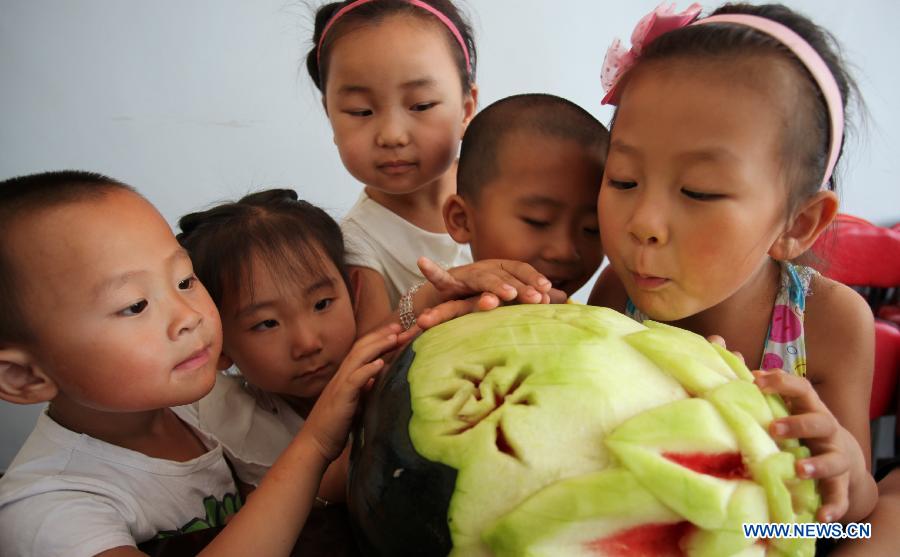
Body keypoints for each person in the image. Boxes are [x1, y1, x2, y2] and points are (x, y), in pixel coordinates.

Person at [0, 171, 400, 556]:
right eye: (135, 305)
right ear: (23, 377)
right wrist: (314, 444)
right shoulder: (46, 510)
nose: (189, 315)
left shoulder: (188, 404)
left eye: (185, 281)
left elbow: (292, 501)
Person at [588, 3, 877, 523]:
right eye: (624, 179)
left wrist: (847, 468)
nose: (644, 222)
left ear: (798, 223)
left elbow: (853, 513)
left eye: (699, 191)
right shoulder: (615, 294)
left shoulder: (831, 324)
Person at [174, 188, 557, 503]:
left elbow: (392, 333)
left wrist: (439, 295)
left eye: (322, 304)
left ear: (353, 292)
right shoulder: (231, 419)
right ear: (219, 343)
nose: (307, 342)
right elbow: (329, 490)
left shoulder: (376, 361)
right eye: (266, 323)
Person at [305, 0, 479, 334]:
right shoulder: (359, 244)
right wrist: (428, 296)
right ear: (330, 115)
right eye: (360, 111)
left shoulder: (500, 186)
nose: (391, 136)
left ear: (466, 109)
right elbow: (374, 360)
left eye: (421, 105)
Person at [443, 93, 609, 298]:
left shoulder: (602, 319)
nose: (564, 251)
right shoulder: (433, 311)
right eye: (538, 221)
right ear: (462, 220)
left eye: (592, 229)